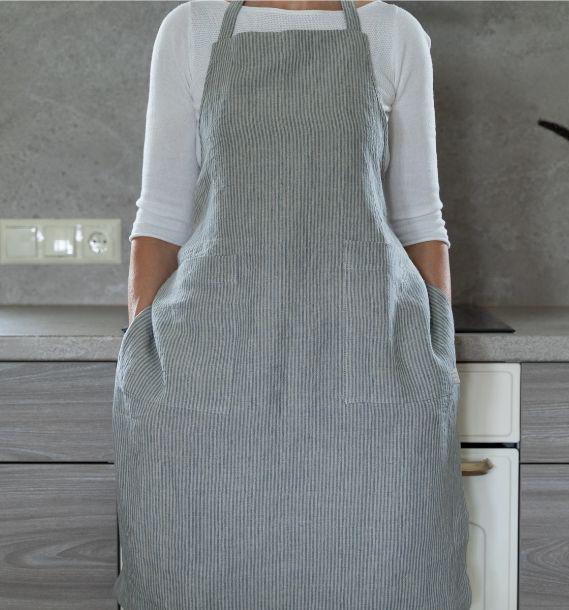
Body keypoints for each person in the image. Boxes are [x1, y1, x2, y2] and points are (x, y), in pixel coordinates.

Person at [113, 1, 471, 608]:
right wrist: (146, 346)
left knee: (388, 574)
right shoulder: (191, 30)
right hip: (211, 368)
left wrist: (437, 355)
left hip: (369, 360)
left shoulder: (393, 33)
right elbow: (160, 220)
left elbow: (420, 221)